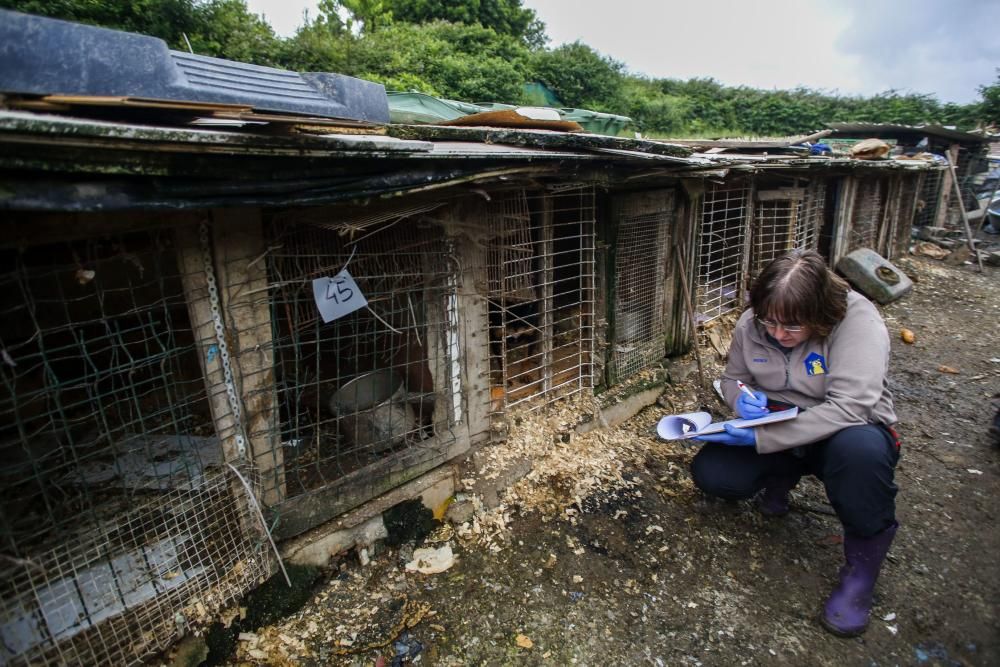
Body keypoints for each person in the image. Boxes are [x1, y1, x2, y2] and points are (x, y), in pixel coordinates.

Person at [689, 249, 901, 637]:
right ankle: (779, 479)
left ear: (822, 315)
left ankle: (861, 572)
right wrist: (741, 399)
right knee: (713, 472)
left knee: (862, 457)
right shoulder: (753, 321)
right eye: (769, 322)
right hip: (777, 419)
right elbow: (732, 377)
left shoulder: (857, 319)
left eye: (793, 327)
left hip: (846, 428)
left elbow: (851, 407)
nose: (777, 334)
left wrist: (762, 436)